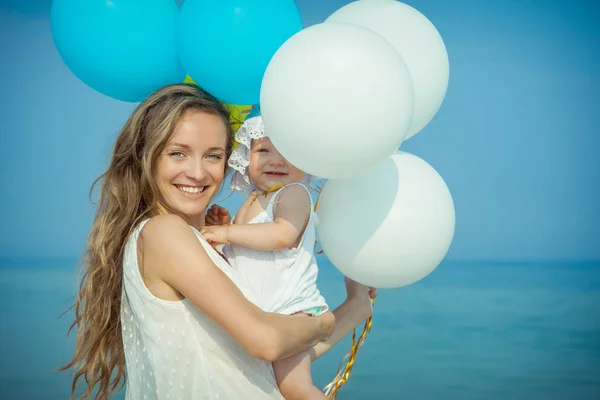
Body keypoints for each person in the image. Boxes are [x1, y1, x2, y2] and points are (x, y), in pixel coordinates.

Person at [60, 84, 376, 400]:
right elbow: (266, 341)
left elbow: (275, 360)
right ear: (146, 155)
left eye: (213, 155)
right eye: (178, 153)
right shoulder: (164, 233)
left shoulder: (202, 243)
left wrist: (352, 307)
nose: (197, 172)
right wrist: (321, 324)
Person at [201, 111, 329, 399]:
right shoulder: (255, 198)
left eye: (287, 152)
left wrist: (229, 234)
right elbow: (243, 257)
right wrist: (225, 233)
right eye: (263, 150)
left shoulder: (294, 193)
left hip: (290, 310)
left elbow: (282, 234)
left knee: (295, 387)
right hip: (264, 314)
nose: (276, 160)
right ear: (247, 158)